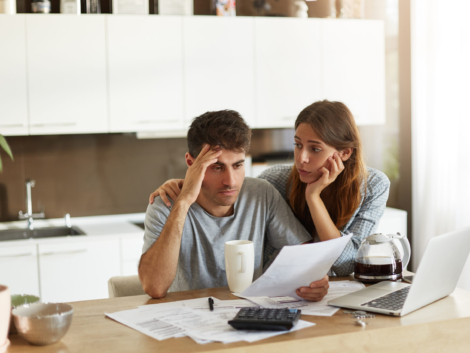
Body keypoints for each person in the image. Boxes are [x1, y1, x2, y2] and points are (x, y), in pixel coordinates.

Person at [150, 100, 390, 277]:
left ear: (345, 153)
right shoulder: (274, 181)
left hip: (332, 290)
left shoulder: (373, 186)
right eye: (297, 145)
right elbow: (230, 188)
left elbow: (346, 264)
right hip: (284, 291)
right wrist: (185, 185)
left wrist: (313, 197)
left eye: (314, 149)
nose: (301, 158)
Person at [139, 109, 329, 300]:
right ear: (191, 162)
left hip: (248, 315)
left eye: (237, 165)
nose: (230, 181)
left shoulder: (261, 194)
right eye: (217, 167)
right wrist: (183, 202)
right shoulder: (165, 204)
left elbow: (306, 258)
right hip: (187, 318)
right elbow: (155, 288)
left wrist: (315, 282)